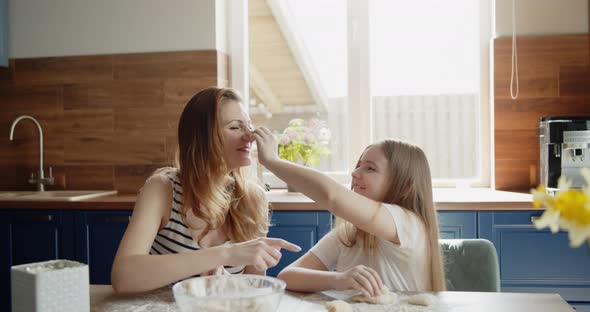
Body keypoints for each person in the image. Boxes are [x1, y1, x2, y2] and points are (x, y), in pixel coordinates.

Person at [111, 88, 300, 293]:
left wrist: (225, 281)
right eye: (235, 127)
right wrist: (224, 254)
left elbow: (251, 293)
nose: (250, 136)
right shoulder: (162, 189)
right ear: (202, 137)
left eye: (250, 126)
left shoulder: (254, 198)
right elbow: (124, 277)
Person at [253, 127, 446, 297]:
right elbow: (287, 276)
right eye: (359, 165)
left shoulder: (408, 223)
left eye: (370, 169)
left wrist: (272, 161)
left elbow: (333, 197)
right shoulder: (348, 234)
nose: (355, 173)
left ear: (404, 186)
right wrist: (338, 279)